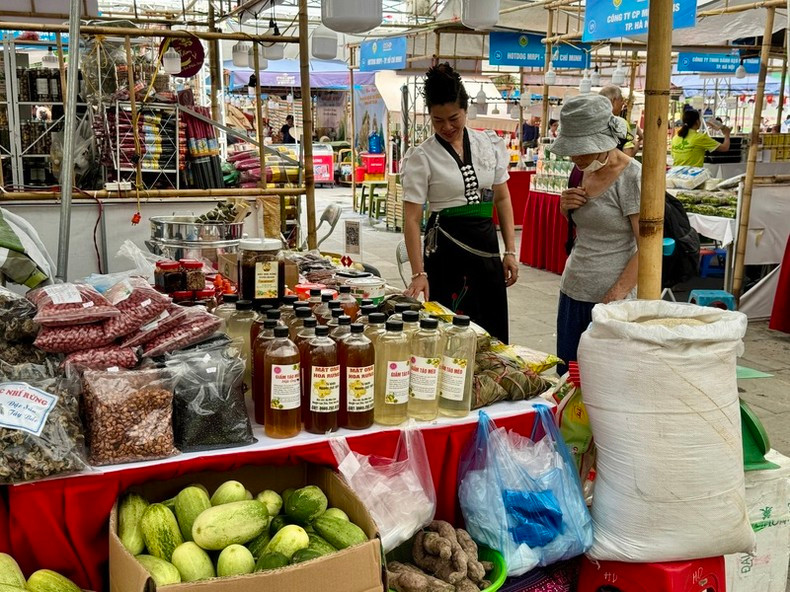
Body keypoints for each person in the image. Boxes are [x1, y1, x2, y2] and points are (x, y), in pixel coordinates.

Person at [401, 63, 519, 342]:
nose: (447, 127)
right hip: (446, 251)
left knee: (490, 327)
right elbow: (412, 219)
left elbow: (502, 197)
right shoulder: (422, 156)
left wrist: (510, 251)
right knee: (452, 330)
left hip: (486, 245)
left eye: (454, 118)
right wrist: (418, 272)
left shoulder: (488, 144)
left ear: (465, 110)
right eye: (437, 120)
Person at [552, 94, 642, 375]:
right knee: (569, 377)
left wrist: (617, 293)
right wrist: (565, 207)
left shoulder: (632, 177)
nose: (575, 157)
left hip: (611, 301)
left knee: (605, 381)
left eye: (582, 150)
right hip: (573, 290)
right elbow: (582, 225)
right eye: (572, 150)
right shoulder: (579, 172)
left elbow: (647, 247)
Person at [599, 85, 642, 157]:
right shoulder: (619, 123)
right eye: (621, 100)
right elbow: (627, 153)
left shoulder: (593, 120)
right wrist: (636, 144)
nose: (623, 103)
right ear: (613, 100)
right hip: (611, 166)